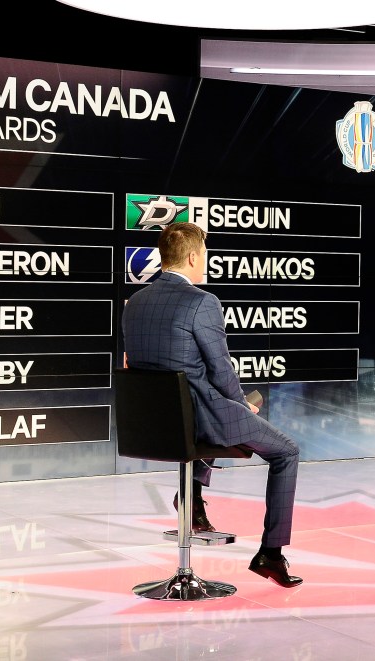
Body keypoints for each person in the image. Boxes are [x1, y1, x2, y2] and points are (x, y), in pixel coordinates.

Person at [121, 223, 303, 588]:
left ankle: (195, 498)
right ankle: (271, 552)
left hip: (152, 422)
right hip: (200, 420)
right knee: (286, 451)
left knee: (227, 407)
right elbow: (221, 370)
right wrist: (241, 406)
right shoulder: (202, 302)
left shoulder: (136, 302)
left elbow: (134, 363)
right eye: (204, 254)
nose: (205, 261)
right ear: (192, 257)